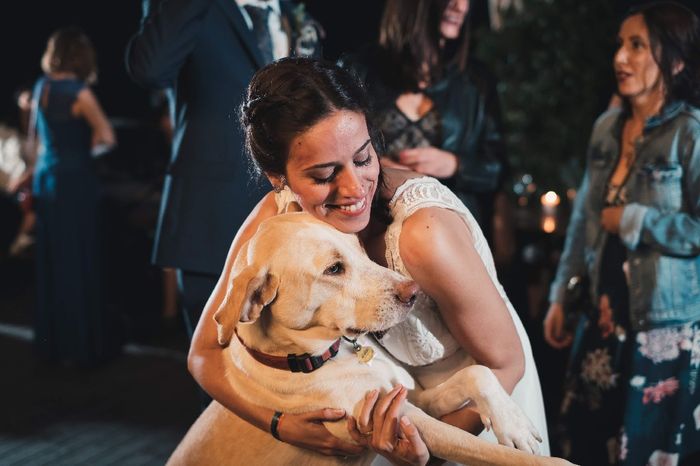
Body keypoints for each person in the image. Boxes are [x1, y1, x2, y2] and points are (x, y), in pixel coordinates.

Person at [187, 57, 550, 463]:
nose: (354, 187)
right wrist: (279, 423)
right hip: (390, 412)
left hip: (481, 415)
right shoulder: (281, 218)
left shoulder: (423, 236)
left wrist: (419, 445)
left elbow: (505, 366)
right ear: (280, 179)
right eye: (324, 176)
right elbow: (204, 354)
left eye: (363, 158)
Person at [543, 2, 700, 464]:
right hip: (602, 316)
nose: (620, 58)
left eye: (637, 46)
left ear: (673, 60)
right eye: (619, 45)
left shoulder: (689, 134)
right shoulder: (607, 128)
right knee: (586, 441)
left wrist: (636, 220)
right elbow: (582, 220)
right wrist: (559, 294)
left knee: (645, 450)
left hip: (662, 331)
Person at [125, 0, 323, 341]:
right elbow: (149, 68)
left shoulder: (293, 12)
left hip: (293, 219)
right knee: (219, 372)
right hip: (211, 221)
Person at [341, 0, 514, 267]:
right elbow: (333, 149)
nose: (461, 7)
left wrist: (455, 164)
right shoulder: (357, 69)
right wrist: (372, 165)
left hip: (450, 239)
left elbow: (499, 168)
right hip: (371, 238)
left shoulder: (476, 81)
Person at [30, 27, 119, 367]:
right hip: (73, 180)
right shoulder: (80, 93)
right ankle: (80, 348)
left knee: (53, 262)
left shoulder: (42, 87)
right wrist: (85, 153)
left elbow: (34, 143)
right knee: (79, 260)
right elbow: (107, 138)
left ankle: (53, 346)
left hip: (46, 179)